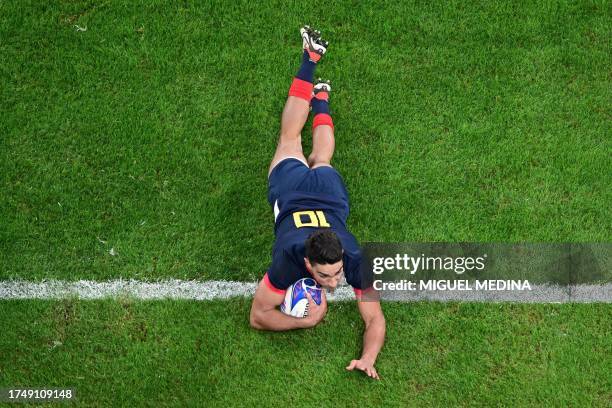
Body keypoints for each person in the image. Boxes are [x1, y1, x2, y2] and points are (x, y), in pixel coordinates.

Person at [249, 26, 385, 380]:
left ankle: (315, 76)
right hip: (295, 191)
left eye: (336, 272)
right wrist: (307, 320)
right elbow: (257, 316)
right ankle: (314, 75)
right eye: (326, 274)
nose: (335, 281)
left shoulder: (352, 258)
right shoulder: (290, 258)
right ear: (307, 262)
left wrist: (369, 357)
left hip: (324, 198)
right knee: (300, 144)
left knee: (307, 149)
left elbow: (375, 319)